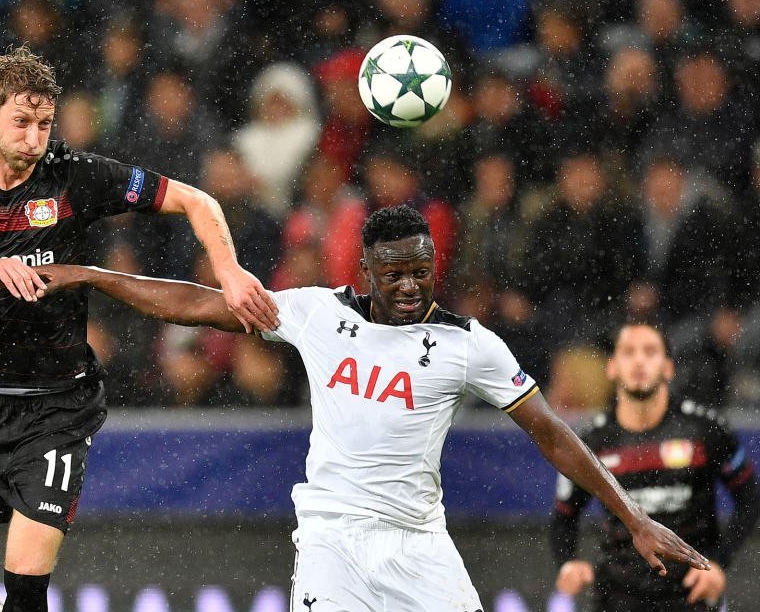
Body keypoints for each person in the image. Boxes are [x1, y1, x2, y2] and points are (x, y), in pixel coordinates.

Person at [35, 205, 710, 612]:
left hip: (420, 542)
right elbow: (195, 303)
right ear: (365, 271)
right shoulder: (315, 314)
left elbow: (550, 432)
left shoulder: (467, 345)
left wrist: (631, 516)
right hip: (333, 537)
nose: (411, 284)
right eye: (395, 274)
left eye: (421, 269)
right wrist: (93, 277)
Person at [0, 45, 278, 612]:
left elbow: (195, 198)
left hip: (55, 409)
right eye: (21, 121)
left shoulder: (74, 176)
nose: (34, 138)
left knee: (27, 579)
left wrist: (230, 273)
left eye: (43, 123)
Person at [551, 323, 759, 611]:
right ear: (611, 367)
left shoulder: (707, 430)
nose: (639, 361)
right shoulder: (591, 443)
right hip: (617, 599)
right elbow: (564, 514)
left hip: (693, 598)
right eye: (628, 352)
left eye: (650, 352)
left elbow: (750, 499)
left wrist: (720, 563)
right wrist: (567, 563)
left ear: (668, 367)